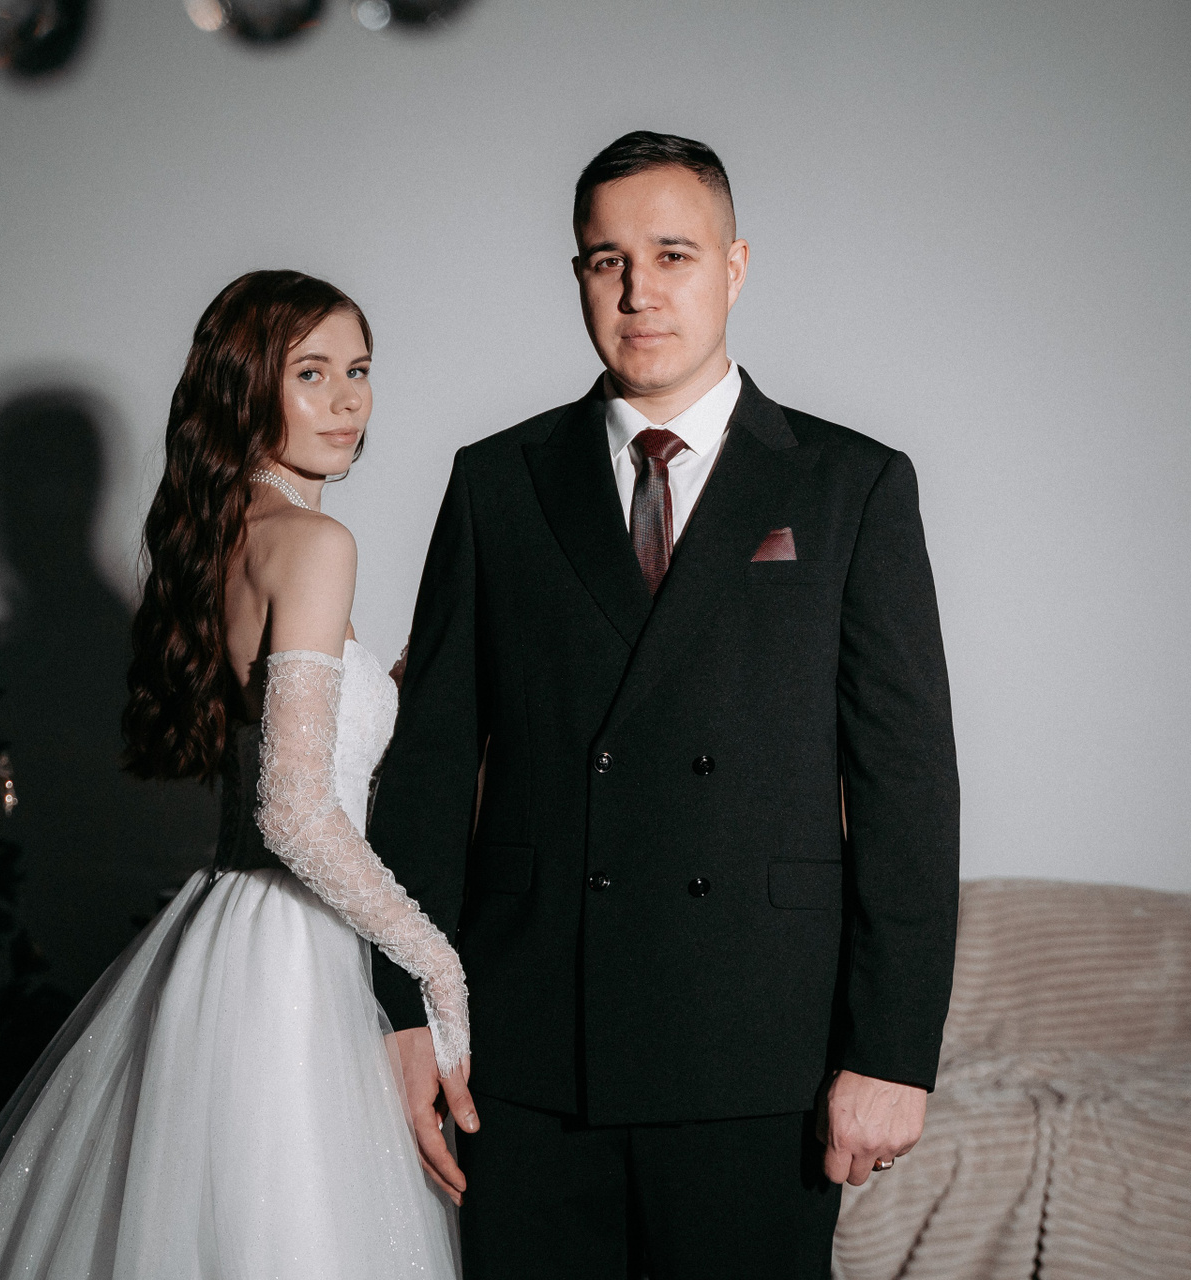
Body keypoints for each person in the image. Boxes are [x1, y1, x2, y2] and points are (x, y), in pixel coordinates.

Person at [370, 132, 962, 1279]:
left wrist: (894, 1049)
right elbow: (432, 766)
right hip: (527, 1051)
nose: (639, 291)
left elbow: (907, 783)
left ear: (734, 266)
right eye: (608, 260)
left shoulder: (849, 483)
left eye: (673, 254)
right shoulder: (497, 481)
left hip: (760, 1047)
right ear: (579, 274)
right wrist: (403, 1011)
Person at [0, 270, 471, 1280]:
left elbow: (287, 741)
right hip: (295, 954)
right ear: (247, 387)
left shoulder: (227, 533)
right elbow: (294, 810)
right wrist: (435, 958)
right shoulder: (315, 542)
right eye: (311, 372)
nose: (347, 400)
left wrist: (395, 689)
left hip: (224, 934)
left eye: (359, 369)